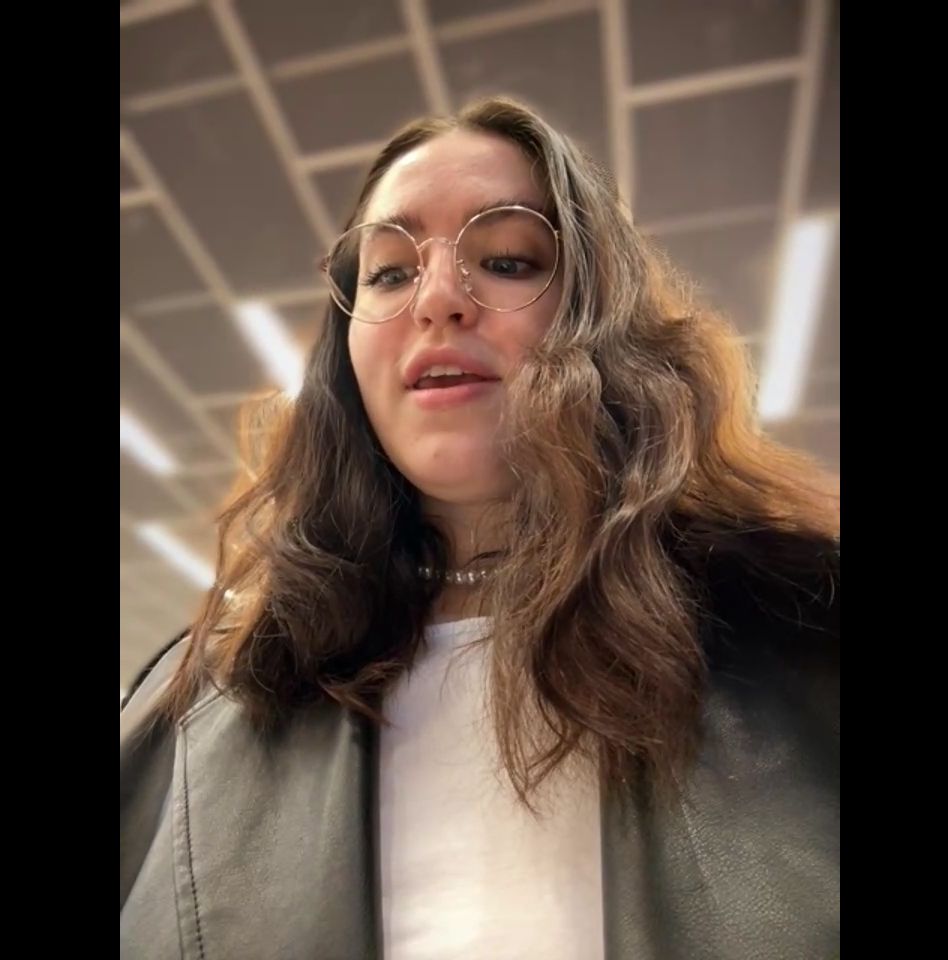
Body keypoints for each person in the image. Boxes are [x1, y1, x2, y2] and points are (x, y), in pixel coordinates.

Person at [120, 96, 839, 960]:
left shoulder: (805, 642)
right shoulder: (195, 712)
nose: (437, 300)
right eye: (389, 273)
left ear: (604, 316)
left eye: (505, 260)